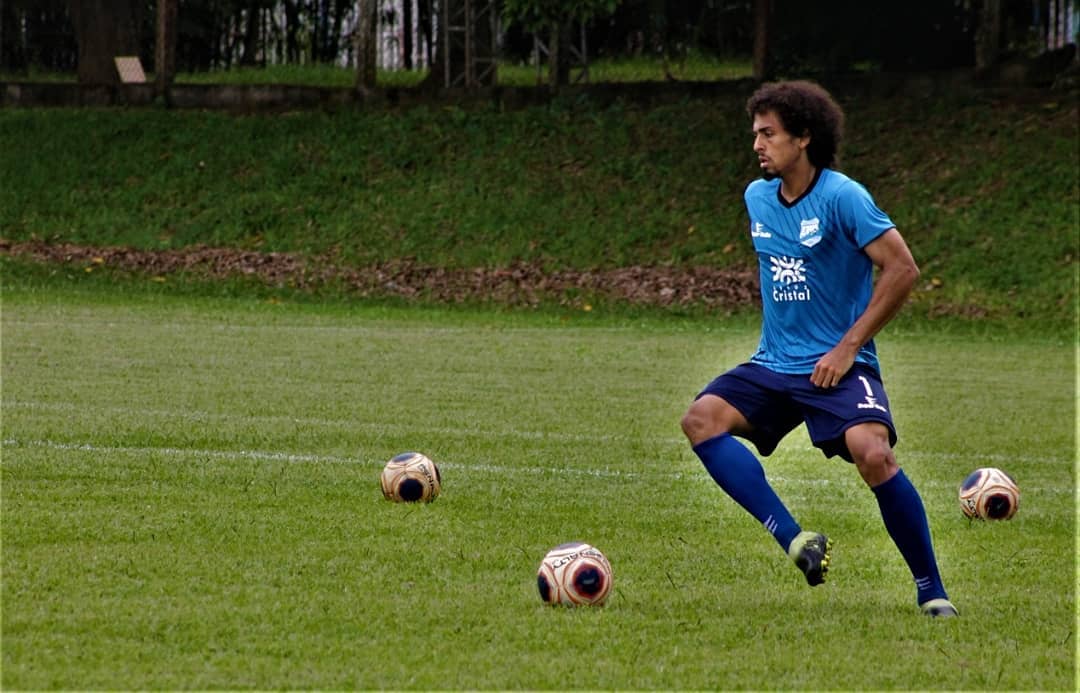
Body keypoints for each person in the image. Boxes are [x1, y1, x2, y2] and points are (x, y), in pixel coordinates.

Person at [680, 80, 956, 617]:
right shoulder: (756, 197)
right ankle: (795, 540)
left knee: (874, 455)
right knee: (701, 420)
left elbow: (902, 269)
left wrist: (849, 346)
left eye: (769, 134)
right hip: (774, 364)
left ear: (803, 137)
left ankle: (931, 590)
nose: (757, 144)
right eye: (754, 133)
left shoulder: (843, 197)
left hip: (839, 366)